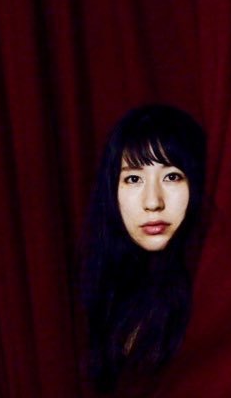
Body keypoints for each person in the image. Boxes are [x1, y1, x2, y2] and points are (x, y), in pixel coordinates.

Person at [80, 104, 207, 396]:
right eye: (133, 179)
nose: (153, 202)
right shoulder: (105, 290)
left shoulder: (212, 288)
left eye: (172, 176)